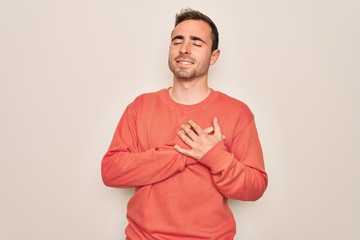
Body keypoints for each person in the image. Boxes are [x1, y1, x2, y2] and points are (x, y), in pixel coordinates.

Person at [101, 8, 268, 240]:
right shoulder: (140, 107)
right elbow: (111, 172)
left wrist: (216, 157)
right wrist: (186, 155)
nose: (184, 48)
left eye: (196, 42)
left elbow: (255, 187)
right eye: (177, 41)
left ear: (214, 56)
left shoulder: (237, 113)